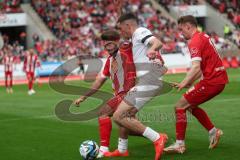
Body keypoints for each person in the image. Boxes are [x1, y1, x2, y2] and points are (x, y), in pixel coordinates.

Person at [164, 15, 229, 154]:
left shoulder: (194, 41)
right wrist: (191, 83)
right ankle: (213, 131)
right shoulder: (203, 36)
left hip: (212, 81)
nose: (181, 33)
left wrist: (184, 83)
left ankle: (180, 144)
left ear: (188, 26)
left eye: (182, 30)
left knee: (179, 106)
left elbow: (195, 67)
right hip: (216, 79)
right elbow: (201, 67)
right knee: (190, 106)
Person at [108, 12, 168, 160]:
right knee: (126, 116)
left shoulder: (140, 32)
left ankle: (157, 138)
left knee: (118, 115)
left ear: (128, 25)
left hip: (150, 79)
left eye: (122, 29)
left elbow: (157, 42)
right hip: (148, 80)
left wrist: (153, 49)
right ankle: (122, 149)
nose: (121, 33)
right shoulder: (134, 38)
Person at [74, 29, 138, 158]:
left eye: (109, 44)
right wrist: (83, 97)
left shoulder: (125, 50)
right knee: (127, 124)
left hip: (129, 94)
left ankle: (103, 148)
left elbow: (133, 40)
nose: (107, 48)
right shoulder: (108, 62)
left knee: (103, 113)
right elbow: (98, 82)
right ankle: (156, 137)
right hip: (122, 95)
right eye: (105, 45)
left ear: (116, 42)